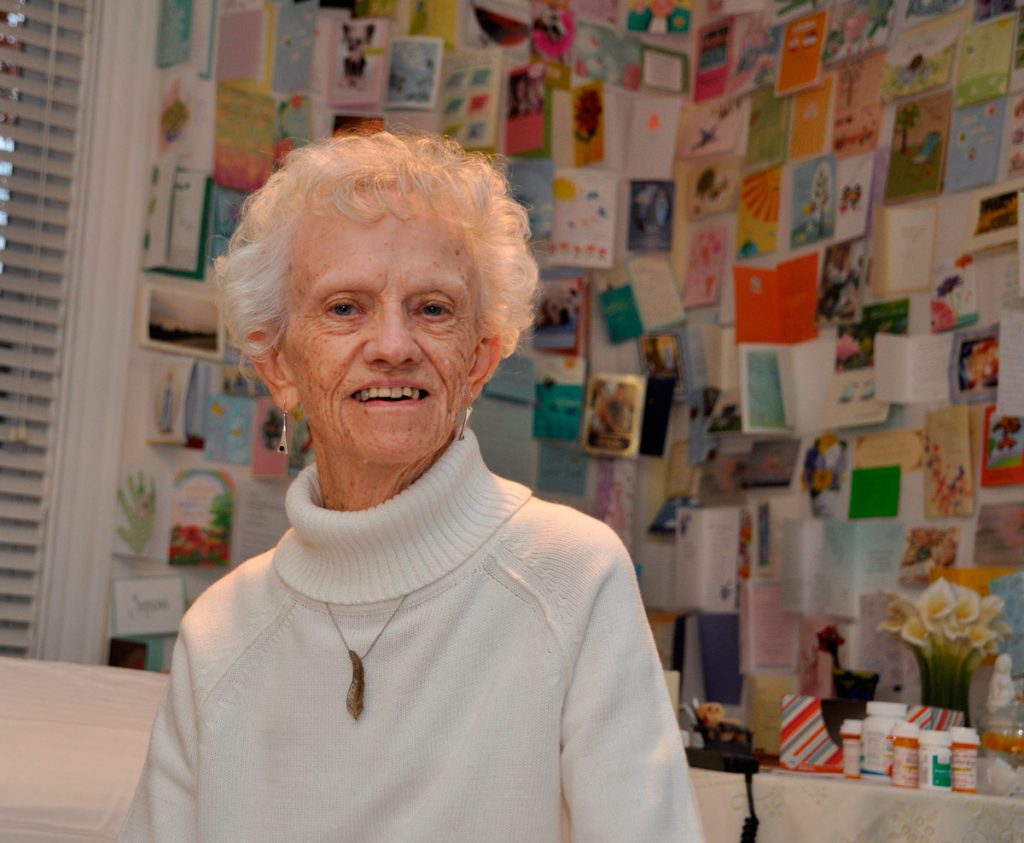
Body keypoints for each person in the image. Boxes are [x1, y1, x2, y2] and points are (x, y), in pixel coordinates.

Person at [120, 131, 703, 842]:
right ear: (278, 366)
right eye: (345, 308)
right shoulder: (219, 630)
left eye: (432, 308)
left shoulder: (573, 577)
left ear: (480, 359)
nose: (393, 345)